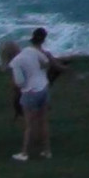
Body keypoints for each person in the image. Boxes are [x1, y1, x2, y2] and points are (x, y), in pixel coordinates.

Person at [7, 27, 55, 161]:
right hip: (44, 88)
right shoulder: (31, 51)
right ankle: (47, 151)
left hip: (31, 93)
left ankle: (24, 153)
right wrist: (39, 72)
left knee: (29, 125)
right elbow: (46, 62)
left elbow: (20, 83)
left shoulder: (15, 62)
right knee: (43, 121)